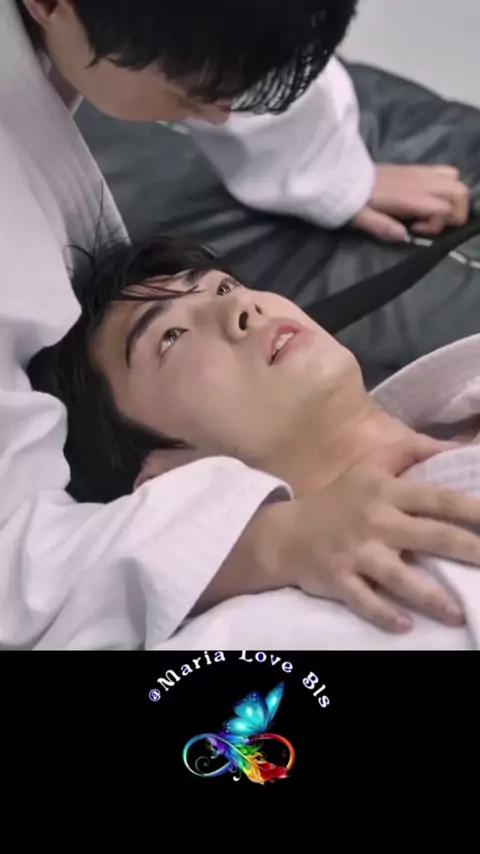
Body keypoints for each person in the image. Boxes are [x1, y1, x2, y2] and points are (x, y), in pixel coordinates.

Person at [0, 0, 474, 651]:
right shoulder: (261, 633)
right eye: (169, 337)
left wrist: (331, 174)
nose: (223, 114)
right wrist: (271, 542)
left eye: (225, 285)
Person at [28, 233, 480, 649]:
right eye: (171, 337)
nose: (241, 307)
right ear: (162, 484)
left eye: (224, 287)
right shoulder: (254, 639)